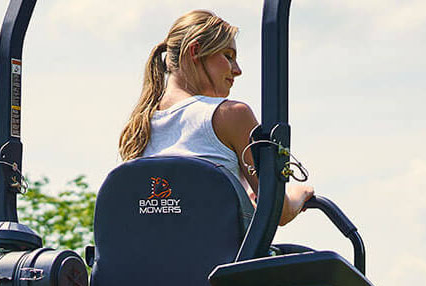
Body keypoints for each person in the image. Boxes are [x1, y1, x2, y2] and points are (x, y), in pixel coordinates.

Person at [118, 10, 313, 228]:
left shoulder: (137, 129)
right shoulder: (232, 116)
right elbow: (278, 212)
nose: (237, 70)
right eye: (228, 56)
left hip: (148, 261)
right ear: (195, 51)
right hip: (217, 261)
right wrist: (300, 194)